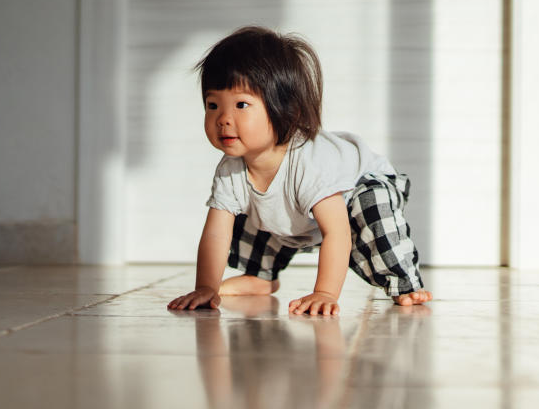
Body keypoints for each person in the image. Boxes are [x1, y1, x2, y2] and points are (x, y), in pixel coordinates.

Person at [167, 26, 432, 315]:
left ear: (286, 111)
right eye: (213, 104)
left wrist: (324, 292)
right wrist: (206, 286)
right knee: (246, 208)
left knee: (372, 205)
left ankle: (406, 284)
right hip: (298, 216)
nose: (223, 119)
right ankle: (260, 275)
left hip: (356, 192)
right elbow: (217, 232)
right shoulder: (231, 169)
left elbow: (337, 231)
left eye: (241, 104)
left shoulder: (310, 163)